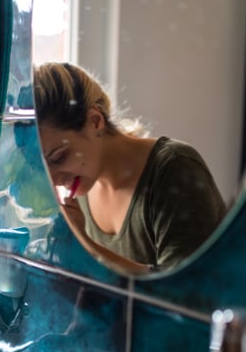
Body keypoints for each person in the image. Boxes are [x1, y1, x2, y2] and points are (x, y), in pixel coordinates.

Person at [33, 62, 226, 274]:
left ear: (95, 121)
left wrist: (87, 248)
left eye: (59, 157)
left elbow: (185, 292)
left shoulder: (175, 168)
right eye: (43, 167)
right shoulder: (82, 185)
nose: (53, 180)